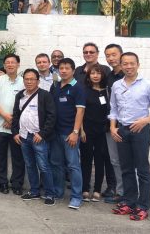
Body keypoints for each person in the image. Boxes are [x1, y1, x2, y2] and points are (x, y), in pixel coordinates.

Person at [109, 52, 150, 221]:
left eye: (131, 63)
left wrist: (145, 120)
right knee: (126, 168)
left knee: (142, 170)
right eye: (125, 63)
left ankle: (142, 206)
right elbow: (113, 109)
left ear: (138, 64)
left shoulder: (148, 84)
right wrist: (113, 128)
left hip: (140, 130)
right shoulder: (117, 86)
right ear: (121, 65)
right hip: (122, 131)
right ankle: (129, 201)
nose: (128, 66)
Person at [11, 68, 57, 205]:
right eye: (26, 79)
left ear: (38, 81)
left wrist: (42, 133)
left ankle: (49, 194)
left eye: (32, 79)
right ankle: (34, 191)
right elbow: (16, 115)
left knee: (43, 166)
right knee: (30, 165)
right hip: (24, 136)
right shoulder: (20, 95)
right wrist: (15, 132)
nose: (29, 82)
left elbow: (51, 116)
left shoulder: (44, 95)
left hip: (38, 136)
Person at [49, 58, 86, 210]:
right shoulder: (55, 86)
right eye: (61, 68)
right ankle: (58, 192)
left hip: (69, 133)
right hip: (55, 133)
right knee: (56, 164)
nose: (63, 71)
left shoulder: (78, 87)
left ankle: (77, 197)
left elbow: (80, 111)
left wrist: (75, 132)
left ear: (73, 70)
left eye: (67, 68)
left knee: (73, 165)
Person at [0, 54, 25, 195]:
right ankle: (2, 182)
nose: (10, 65)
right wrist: (5, 116)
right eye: (7, 63)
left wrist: (12, 120)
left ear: (18, 64)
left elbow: (27, 103)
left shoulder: (24, 81)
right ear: (4, 65)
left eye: (13, 62)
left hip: (18, 127)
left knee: (18, 157)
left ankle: (17, 184)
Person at [80, 64, 115, 202]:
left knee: (100, 161)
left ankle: (97, 189)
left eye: (98, 73)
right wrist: (81, 130)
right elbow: (80, 112)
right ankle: (85, 189)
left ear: (102, 75)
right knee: (86, 160)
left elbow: (112, 111)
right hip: (87, 130)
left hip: (103, 131)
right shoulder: (84, 91)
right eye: (92, 73)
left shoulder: (107, 91)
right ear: (88, 75)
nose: (95, 75)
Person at [103, 43, 124, 203]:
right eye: (108, 55)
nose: (111, 58)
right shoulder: (109, 76)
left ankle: (131, 193)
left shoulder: (128, 74)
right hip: (111, 124)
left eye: (114, 54)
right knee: (115, 160)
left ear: (121, 55)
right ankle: (120, 191)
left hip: (128, 125)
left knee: (130, 161)